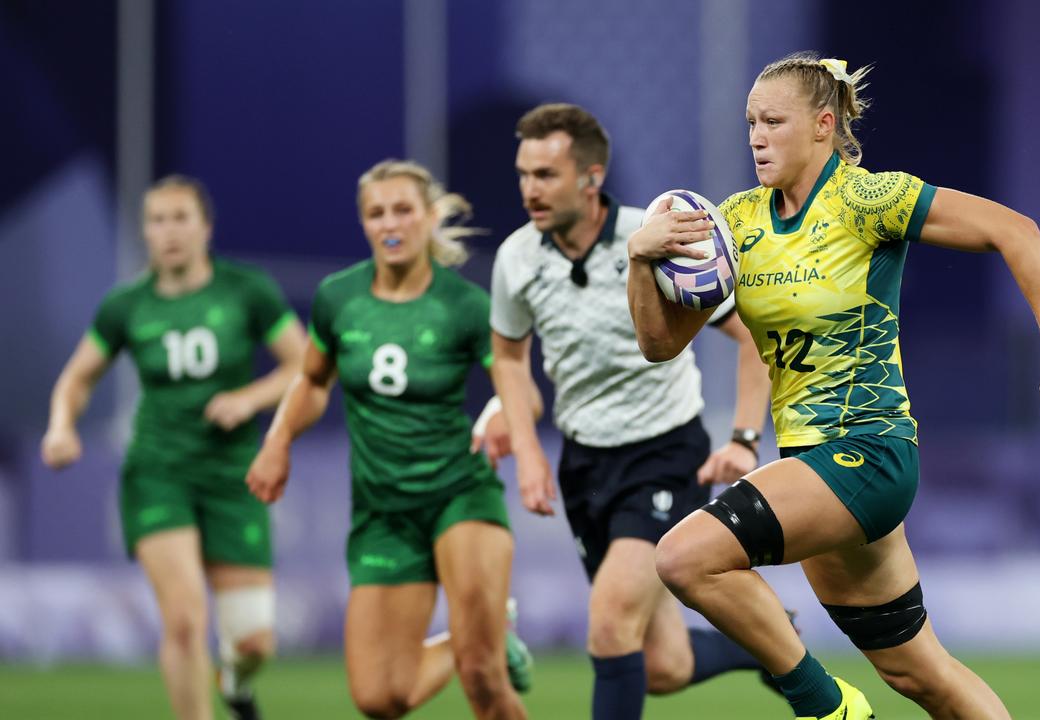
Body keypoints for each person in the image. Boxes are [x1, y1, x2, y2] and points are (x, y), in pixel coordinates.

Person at [627, 53, 1040, 720]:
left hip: (868, 454)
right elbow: (659, 344)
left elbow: (1015, 232)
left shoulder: (867, 199)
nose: (757, 136)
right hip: (810, 469)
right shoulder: (736, 223)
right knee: (919, 673)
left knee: (684, 559)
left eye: (774, 121)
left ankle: (825, 707)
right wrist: (641, 260)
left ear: (822, 125)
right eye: (750, 122)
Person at [483, 103, 774, 720]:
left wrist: (745, 437)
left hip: (665, 454)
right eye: (523, 174)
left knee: (610, 625)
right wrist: (530, 453)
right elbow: (508, 358)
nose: (529, 189)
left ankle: (777, 646)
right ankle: (773, 645)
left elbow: (751, 336)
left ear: (590, 179)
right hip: (585, 462)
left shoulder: (661, 234)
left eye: (546, 175)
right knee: (662, 666)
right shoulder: (517, 258)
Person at [245, 159, 531, 720]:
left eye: (403, 209)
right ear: (364, 224)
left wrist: (502, 413)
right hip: (382, 510)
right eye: (376, 213)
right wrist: (278, 440)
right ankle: (486, 628)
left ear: (428, 218)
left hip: (459, 494)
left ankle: (480, 639)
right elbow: (310, 380)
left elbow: (521, 389)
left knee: (483, 676)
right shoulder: (338, 298)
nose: (390, 223)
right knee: (380, 696)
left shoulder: (467, 305)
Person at [41, 176, 307, 720]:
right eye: (157, 220)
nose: (169, 231)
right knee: (184, 622)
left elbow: (302, 365)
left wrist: (248, 398)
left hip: (236, 474)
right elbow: (76, 378)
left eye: (181, 218)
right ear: (146, 231)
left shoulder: (245, 290)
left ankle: (234, 680)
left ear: (205, 227)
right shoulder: (127, 306)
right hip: (158, 472)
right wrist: (61, 426)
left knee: (255, 643)